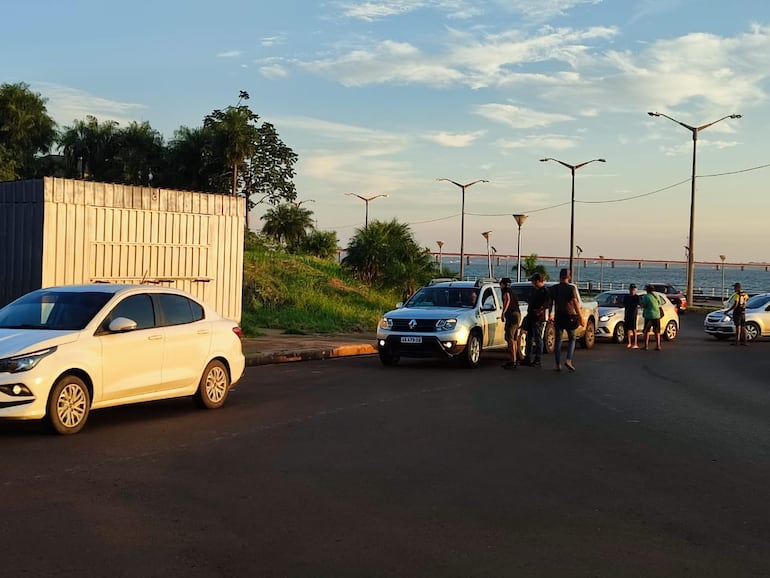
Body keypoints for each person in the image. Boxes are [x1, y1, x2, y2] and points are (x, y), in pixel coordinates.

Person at [549, 268, 584, 372]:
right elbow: (575, 303)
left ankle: (557, 364)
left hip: (558, 316)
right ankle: (568, 359)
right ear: (568, 277)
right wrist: (580, 316)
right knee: (572, 338)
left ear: (560, 277)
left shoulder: (553, 288)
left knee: (558, 340)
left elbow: (551, 302)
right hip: (569, 316)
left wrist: (550, 314)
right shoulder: (571, 288)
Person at [520, 273, 551, 368]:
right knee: (529, 337)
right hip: (531, 317)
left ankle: (538, 360)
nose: (532, 282)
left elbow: (548, 303)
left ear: (538, 281)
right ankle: (527, 358)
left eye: (533, 281)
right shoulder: (536, 290)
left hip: (538, 318)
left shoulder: (544, 291)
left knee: (538, 338)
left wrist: (540, 310)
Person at [500, 277, 521, 369]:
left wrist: (503, 312)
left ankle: (513, 360)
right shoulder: (513, 291)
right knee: (514, 339)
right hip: (517, 314)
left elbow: (507, 299)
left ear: (503, 284)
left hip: (511, 315)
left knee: (510, 338)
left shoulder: (505, 291)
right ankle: (514, 359)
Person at [641, 284, 662, 351]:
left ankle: (646, 346)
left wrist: (641, 305)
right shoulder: (657, 296)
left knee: (647, 331)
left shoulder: (646, 296)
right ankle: (658, 345)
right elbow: (659, 304)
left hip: (649, 315)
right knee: (657, 331)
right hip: (657, 315)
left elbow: (644, 305)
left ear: (647, 290)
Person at [624, 283, 641, 349]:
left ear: (635, 290)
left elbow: (637, 304)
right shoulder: (626, 297)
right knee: (628, 329)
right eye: (631, 289)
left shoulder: (637, 297)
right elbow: (624, 304)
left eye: (633, 289)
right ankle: (629, 343)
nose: (632, 290)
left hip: (633, 314)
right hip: (627, 314)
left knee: (634, 329)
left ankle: (635, 343)